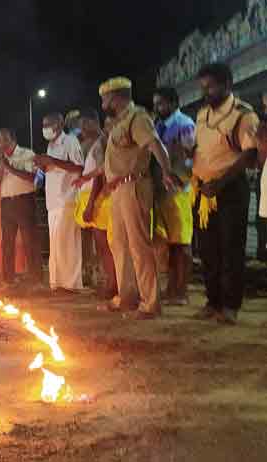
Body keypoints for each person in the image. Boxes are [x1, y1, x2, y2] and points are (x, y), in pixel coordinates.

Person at [100, 76, 180, 319]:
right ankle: (127, 297)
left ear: (116, 97)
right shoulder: (119, 123)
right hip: (118, 190)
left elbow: (154, 144)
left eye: (105, 98)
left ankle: (150, 302)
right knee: (119, 245)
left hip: (134, 186)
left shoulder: (138, 117)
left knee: (139, 246)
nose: (103, 102)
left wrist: (166, 171)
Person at [192, 63, 259, 325]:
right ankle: (213, 302)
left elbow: (249, 154)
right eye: (203, 87)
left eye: (211, 86)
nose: (206, 92)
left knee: (231, 249)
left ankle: (231, 306)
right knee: (208, 250)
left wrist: (218, 184)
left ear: (227, 84)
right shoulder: (201, 115)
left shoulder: (244, 115)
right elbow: (202, 148)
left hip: (230, 189)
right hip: (203, 191)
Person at [153, 87, 196, 306]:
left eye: (161, 104)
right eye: (156, 104)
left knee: (181, 243)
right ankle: (171, 289)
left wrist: (180, 179)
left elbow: (191, 157)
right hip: (161, 193)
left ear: (173, 102)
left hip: (178, 192)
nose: (157, 108)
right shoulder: (158, 126)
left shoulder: (184, 124)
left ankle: (181, 292)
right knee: (169, 244)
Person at [34, 114, 84, 292]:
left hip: (67, 198)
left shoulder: (70, 141)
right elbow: (54, 167)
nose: (46, 128)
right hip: (53, 201)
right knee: (56, 244)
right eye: (43, 124)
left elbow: (79, 167)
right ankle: (57, 283)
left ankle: (71, 284)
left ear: (61, 124)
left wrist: (52, 161)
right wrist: (43, 165)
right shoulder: (50, 145)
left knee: (68, 243)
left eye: (49, 124)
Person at [72, 109, 117, 300]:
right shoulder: (95, 144)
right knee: (101, 245)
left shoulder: (101, 144)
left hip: (101, 198)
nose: (81, 129)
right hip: (96, 197)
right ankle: (109, 282)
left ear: (94, 123)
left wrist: (92, 204)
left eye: (84, 125)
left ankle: (113, 285)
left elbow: (100, 175)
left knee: (104, 245)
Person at [0, 128, 42, 286]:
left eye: (3, 140)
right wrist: (2, 169)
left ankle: (35, 279)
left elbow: (33, 178)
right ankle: (8, 280)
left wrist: (10, 168)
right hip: (6, 203)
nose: (0, 143)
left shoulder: (27, 154)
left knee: (30, 241)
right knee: (7, 243)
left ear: (12, 139)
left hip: (24, 201)